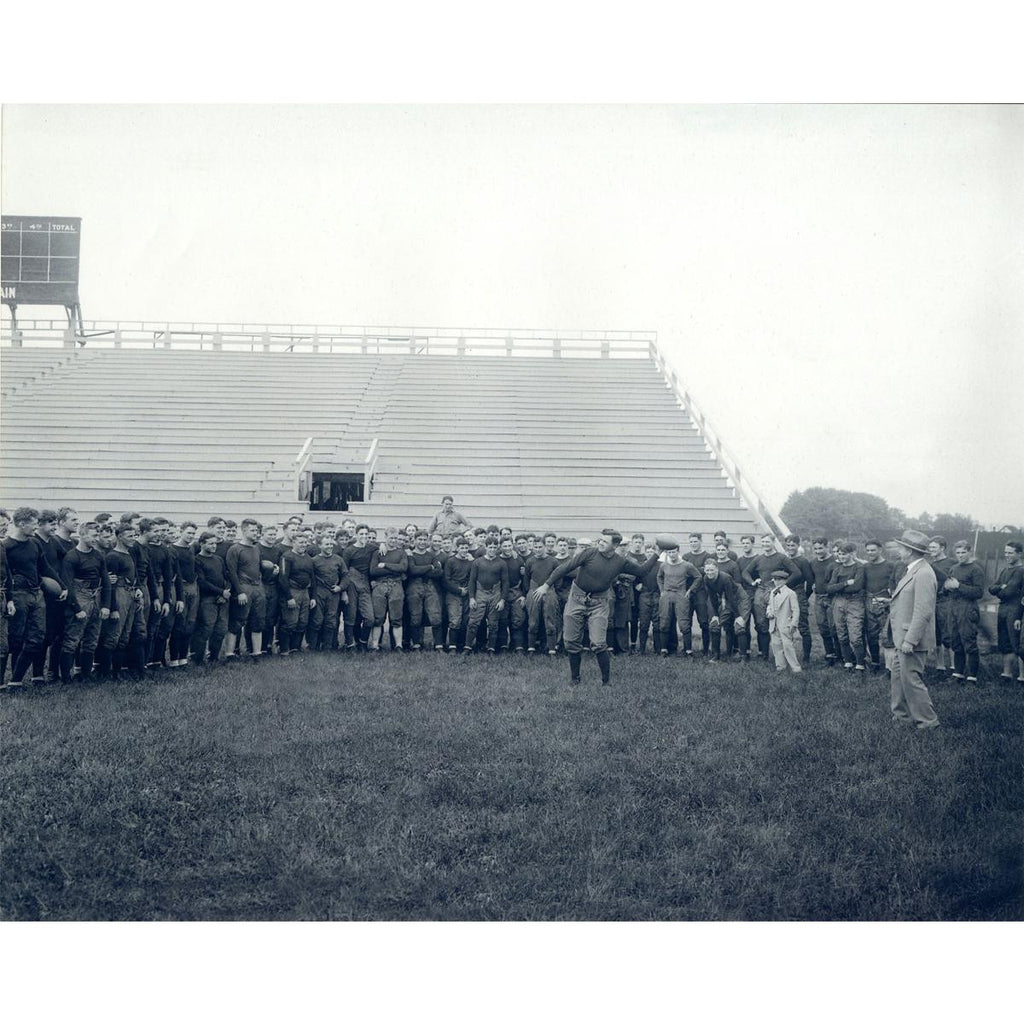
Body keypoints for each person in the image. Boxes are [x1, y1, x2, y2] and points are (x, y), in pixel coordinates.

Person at [533, 531, 659, 686]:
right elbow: (565, 568)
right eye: (600, 540)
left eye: (605, 542)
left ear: (615, 545)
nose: (600, 543)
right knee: (571, 641)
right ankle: (575, 679)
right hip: (576, 598)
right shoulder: (589, 553)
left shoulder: (620, 562)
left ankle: (606, 682)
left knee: (598, 643)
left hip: (599, 602)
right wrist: (546, 585)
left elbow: (642, 571)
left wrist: (657, 553)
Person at [887, 529, 940, 730]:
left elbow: (923, 612)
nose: (898, 550)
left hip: (912, 639)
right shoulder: (913, 569)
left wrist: (910, 640)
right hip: (904, 636)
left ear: (909, 551)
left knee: (911, 679)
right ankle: (902, 716)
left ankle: (928, 721)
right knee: (898, 678)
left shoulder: (924, 573)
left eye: (900, 547)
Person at [944, 540, 986, 684]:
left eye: (963, 552)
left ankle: (972, 677)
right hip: (953, 607)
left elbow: (979, 592)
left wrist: (958, 586)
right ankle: (958, 674)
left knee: (968, 641)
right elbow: (947, 588)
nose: (960, 555)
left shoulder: (976, 569)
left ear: (969, 552)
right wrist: (947, 587)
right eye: (958, 553)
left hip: (968, 608)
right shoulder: (954, 568)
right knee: (955, 641)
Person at [988, 540, 1024, 681]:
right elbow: (991, 588)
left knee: (1018, 643)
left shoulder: (1021, 571)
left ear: (1019, 554)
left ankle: (1022, 676)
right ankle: (1006, 673)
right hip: (1003, 609)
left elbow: (1009, 592)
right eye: (1005, 553)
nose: (1007, 555)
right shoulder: (1005, 570)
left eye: (1010, 553)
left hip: (1015, 610)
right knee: (1004, 642)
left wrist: (1001, 589)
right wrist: (1000, 588)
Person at [766, 567, 802, 674]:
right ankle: (780, 666)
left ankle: (795, 667)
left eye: (780, 579)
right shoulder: (773, 592)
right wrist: (769, 613)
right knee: (776, 645)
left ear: (785, 580)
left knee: (788, 646)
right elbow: (769, 605)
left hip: (785, 623)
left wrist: (794, 623)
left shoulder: (790, 593)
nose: (777, 582)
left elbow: (795, 610)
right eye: (775, 579)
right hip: (774, 623)